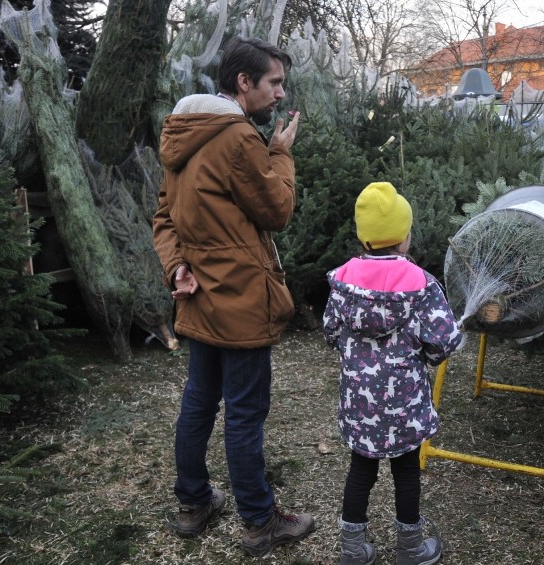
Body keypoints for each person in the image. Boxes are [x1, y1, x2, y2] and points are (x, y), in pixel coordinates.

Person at [152, 37, 315, 556]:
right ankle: (260, 520)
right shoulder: (239, 138)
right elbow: (277, 211)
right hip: (241, 300)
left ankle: (194, 503)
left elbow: (164, 217)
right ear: (243, 83)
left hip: (198, 300)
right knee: (244, 413)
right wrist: (282, 153)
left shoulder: (182, 132)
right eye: (274, 83)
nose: (279, 93)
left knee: (199, 403)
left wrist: (176, 266)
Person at [322, 182, 464, 565]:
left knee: (360, 471)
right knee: (406, 473)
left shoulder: (342, 282)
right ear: (403, 237)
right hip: (406, 405)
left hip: (359, 402)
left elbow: (331, 331)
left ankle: (353, 551)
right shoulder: (421, 285)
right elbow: (443, 343)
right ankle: (411, 549)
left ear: (363, 237)